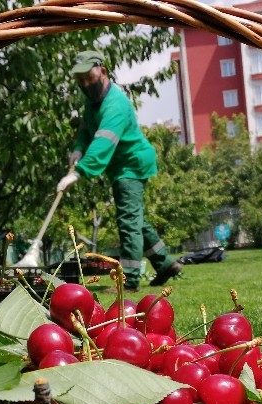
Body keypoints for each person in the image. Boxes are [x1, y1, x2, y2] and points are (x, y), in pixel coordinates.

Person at [57, 50, 182, 291]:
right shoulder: (92, 101)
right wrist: (77, 150)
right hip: (120, 166)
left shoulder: (116, 104)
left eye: (88, 77)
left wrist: (78, 171)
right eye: (80, 80)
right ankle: (165, 263)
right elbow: (86, 131)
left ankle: (130, 280)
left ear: (102, 71)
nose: (84, 83)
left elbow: (103, 141)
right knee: (136, 219)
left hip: (131, 164)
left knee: (128, 222)